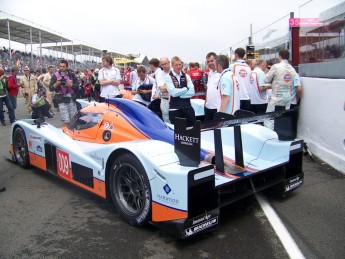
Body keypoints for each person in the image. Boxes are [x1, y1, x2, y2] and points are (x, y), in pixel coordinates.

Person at [264, 49, 297, 130]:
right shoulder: (292, 69)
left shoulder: (276, 66)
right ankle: (283, 133)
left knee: (269, 117)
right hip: (288, 97)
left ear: (280, 56)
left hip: (277, 96)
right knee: (284, 117)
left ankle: (269, 135)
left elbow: (266, 80)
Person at [164, 56, 195, 126]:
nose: (178, 67)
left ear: (182, 64)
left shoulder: (187, 76)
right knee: (177, 133)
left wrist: (179, 94)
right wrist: (186, 89)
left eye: (179, 64)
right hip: (175, 109)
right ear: (172, 65)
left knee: (192, 131)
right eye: (176, 65)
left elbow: (192, 92)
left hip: (187, 107)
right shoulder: (168, 77)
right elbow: (173, 93)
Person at [49, 59, 79, 127]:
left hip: (71, 99)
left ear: (67, 67)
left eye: (63, 66)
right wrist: (57, 83)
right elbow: (50, 88)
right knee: (66, 120)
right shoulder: (55, 75)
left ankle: (73, 134)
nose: (62, 68)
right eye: (60, 66)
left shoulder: (72, 75)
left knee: (74, 119)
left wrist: (71, 85)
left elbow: (77, 86)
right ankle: (65, 134)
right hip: (61, 99)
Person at [204, 52, 221, 120]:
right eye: (208, 62)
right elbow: (209, 88)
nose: (210, 63)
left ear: (216, 60)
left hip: (217, 108)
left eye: (212, 61)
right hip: (208, 107)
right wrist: (205, 102)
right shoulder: (210, 72)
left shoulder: (221, 73)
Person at [158, 57, 171, 123]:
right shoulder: (159, 74)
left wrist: (167, 86)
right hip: (164, 98)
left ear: (169, 63)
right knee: (166, 118)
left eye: (165, 64)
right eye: (162, 64)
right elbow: (162, 89)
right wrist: (172, 86)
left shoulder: (174, 72)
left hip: (175, 99)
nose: (164, 66)